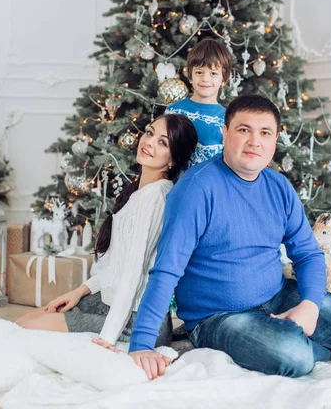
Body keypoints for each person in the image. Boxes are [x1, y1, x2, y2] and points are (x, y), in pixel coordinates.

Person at [128, 94, 331, 380]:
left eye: (265, 133)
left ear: (274, 140)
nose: (254, 141)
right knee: (293, 356)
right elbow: (166, 269)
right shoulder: (195, 189)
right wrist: (142, 344)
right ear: (225, 133)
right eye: (244, 130)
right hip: (218, 317)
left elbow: (307, 254)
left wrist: (309, 305)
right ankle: (307, 345)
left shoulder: (279, 187)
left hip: (278, 296)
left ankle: (297, 332)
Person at [17, 114, 197, 351]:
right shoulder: (139, 192)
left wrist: (108, 337)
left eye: (163, 142)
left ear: (173, 159)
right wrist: (78, 292)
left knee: (28, 329)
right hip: (109, 301)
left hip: (135, 321)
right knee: (23, 321)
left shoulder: (154, 197)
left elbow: (133, 273)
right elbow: (115, 266)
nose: (150, 142)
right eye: (150, 133)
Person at [166, 37, 232, 165]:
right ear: (190, 76)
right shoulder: (173, 111)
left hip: (209, 183)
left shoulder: (227, 119)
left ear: (224, 79)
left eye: (213, 73)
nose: (205, 79)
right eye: (199, 72)